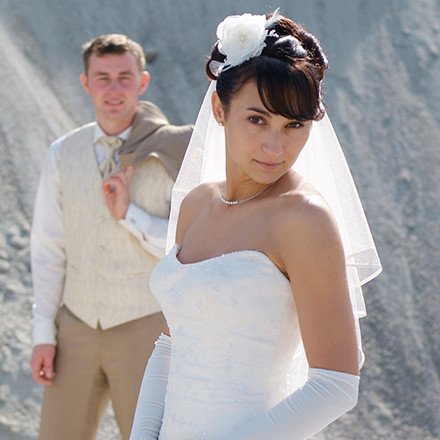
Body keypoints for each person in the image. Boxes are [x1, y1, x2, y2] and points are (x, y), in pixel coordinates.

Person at [130, 10, 382, 440]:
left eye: (294, 125)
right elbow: (172, 346)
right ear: (219, 109)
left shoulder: (304, 219)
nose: (275, 146)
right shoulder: (195, 203)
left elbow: (336, 384)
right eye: (257, 119)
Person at [30, 34, 192, 440]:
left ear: (143, 82)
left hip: (147, 330)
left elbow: (186, 248)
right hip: (75, 329)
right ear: (85, 83)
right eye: (102, 78)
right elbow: (48, 250)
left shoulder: (175, 151)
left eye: (124, 77)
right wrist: (43, 336)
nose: (114, 88)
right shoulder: (61, 153)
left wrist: (129, 217)